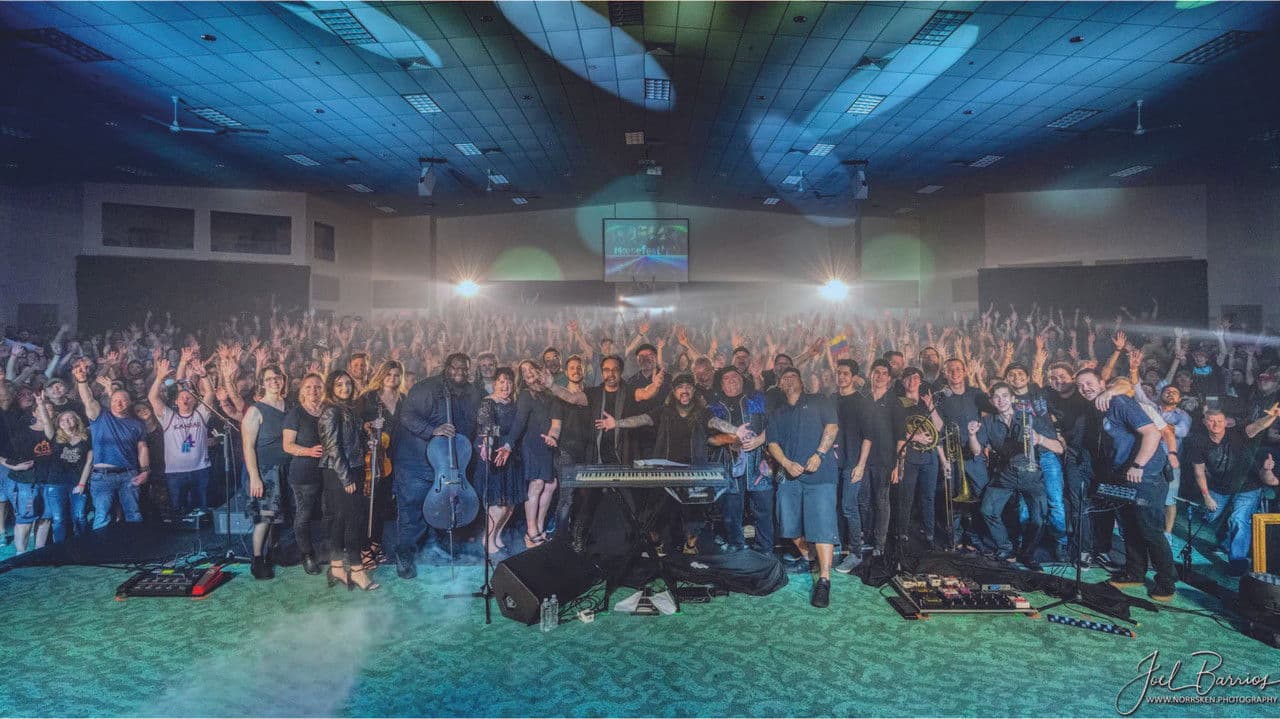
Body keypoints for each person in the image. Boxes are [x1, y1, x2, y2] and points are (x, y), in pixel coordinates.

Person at [1076, 368, 1176, 601]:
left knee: (1149, 529)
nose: (1085, 388)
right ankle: (1135, 572)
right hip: (1124, 476)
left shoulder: (1119, 401)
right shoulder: (1100, 406)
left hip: (1146, 475)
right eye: (1080, 386)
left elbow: (1152, 433)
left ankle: (1167, 581)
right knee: (1129, 525)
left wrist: (1138, 465)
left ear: (1102, 383)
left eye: (1089, 383)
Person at [393, 352, 481, 579]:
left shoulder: (471, 392)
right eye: (455, 368)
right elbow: (407, 416)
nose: (459, 372)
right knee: (412, 511)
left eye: (464, 369)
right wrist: (432, 430)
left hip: (447, 464)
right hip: (415, 461)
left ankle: (433, 549)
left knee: (439, 508)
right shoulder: (427, 388)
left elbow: (473, 424)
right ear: (446, 367)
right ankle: (404, 556)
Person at [765, 368, 840, 608]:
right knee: (788, 524)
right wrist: (786, 463)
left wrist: (819, 454)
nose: (788, 380)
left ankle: (824, 580)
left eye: (792, 376)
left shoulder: (819, 400)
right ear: (780, 385)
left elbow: (832, 427)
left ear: (801, 381)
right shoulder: (777, 412)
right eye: (784, 378)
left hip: (821, 475)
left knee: (823, 526)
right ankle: (811, 558)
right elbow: (772, 443)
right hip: (790, 477)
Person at [969, 382, 1062, 570]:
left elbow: (1059, 448)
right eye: (996, 397)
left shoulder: (1031, 418)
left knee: (1038, 519)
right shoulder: (988, 421)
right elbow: (976, 451)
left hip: (1031, 474)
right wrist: (971, 435)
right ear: (991, 401)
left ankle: (1027, 553)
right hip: (1006, 473)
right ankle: (1005, 548)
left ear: (1012, 398)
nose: (1001, 400)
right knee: (987, 510)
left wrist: (1040, 439)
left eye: (1005, 396)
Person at [1185, 409, 1278, 575]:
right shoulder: (1198, 442)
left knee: (1239, 519)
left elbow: (1258, 425)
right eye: (1211, 421)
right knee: (1209, 516)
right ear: (1205, 422)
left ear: (1226, 422)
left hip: (1248, 486)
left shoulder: (1239, 433)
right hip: (1219, 487)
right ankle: (1225, 540)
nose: (1216, 424)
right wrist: (1206, 496)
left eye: (1220, 421)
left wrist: (1273, 415)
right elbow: (1199, 472)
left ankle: (1238, 561)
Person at [319, 370, 379, 591]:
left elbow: (350, 441)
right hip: (340, 472)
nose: (345, 388)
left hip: (352, 467)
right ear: (331, 388)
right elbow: (333, 449)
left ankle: (336, 567)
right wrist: (346, 478)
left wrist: (366, 441)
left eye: (347, 383)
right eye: (339, 384)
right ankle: (357, 570)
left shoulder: (348, 409)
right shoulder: (330, 412)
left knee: (342, 519)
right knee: (353, 520)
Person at [73, 359, 150, 531]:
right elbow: (88, 399)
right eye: (115, 400)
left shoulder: (137, 424)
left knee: (133, 514)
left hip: (129, 474)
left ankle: (136, 547)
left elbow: (142, 448)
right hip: (102, 476)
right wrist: (82, 381)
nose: (119, 403)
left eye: (123, 400)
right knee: (102, 516)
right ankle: (101, 549)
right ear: (110, 401)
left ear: (129, 402)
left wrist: (145, 471)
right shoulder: (100, 416)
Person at [496, 359, 561, 549]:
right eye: (524, 372)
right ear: (523, 378)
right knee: (537, 483)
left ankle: (539, 527)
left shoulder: (550, 394)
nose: (529, 372)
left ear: (539, 370)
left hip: (547, 444)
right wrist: (508, 445)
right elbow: (519, 423)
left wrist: (553, 436)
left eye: (531, 368)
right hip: (531, 445)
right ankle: (531, 531)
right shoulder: (525, 395)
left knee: (551, 485)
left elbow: (556, 422)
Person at [707, 366, 770, 553]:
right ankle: (736, 545)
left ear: (742, 380)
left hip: (759, 462)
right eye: (726, 378)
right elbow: (709, 437)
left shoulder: (755, 401)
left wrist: (759, 441)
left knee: (763, 508)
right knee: (731, 509)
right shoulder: (715, 407)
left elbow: (772, 424)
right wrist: (732, 438)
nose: (731, 380)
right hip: (727, 463)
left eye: (735, 376)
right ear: (721, 384)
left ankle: (765, 548)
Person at [936, 357, 994, 552]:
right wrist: (943, 458)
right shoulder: (941, 397)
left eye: (958, 369)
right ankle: (955, 536)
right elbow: (938, 428)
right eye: (950, 370)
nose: (955, 373)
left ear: (964, 371)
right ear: (945, 373)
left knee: (980, 495)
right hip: (952, 454)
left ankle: (975, 536)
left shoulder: (976, 394)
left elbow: (992, 410)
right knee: (953, 497)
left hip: (975, 454)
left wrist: (985, 443)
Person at [147, 350, 214, 519]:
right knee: (178, 512)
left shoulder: (200, 414)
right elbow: (153, 398)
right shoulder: (169, 416)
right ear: (176, 401)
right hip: (175, 472)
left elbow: (210, 394)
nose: (185, 400)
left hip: (201, 469)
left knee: (202, 512)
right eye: (182, 397)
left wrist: (204, 376)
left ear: (195, 400)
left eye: (189, 397)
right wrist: (159, 378)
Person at [241, 364, 289, 579]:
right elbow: (248, 447)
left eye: (277, 377)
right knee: (265, 517)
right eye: (269, 379)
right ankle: (257, 560)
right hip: (266, 471)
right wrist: (254, 477)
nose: (274, 381)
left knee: (278, 517)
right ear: (262, 383)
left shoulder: (289, 405)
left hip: (286, 468)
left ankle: (272, 553)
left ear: (283, 380)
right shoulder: (255, 410)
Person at [855, 359, 906, 557]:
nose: (880, 376)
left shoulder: (895, 403)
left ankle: (880, 544)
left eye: (884, 373)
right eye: (877, 372)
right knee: (863, 499)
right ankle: (865, 537)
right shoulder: (864, 400)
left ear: (889, 378)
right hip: (863, 460)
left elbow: (901, 438)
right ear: (871, 374)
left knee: (881, 502)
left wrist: (897, 465)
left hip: (885, 461)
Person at [356, 360, 405, 561]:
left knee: (383, 504)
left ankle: (376, 544)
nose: (392, 378)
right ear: (382, 375)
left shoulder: (403, 399)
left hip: (394, 457)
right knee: (368, 505)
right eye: (389, 374)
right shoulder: (369, 397)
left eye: (396, 375)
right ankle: (364, 547)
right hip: (372, 457)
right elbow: (355, 422)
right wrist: (367, 426)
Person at [895, 367, 946, 550]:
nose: (912, 381)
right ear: (903, 381)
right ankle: (902, 533)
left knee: (928, 497)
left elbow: (938, 427)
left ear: (921, 381)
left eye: (916, 378)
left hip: (929, 457)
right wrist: (915, 437)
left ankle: (929, 534)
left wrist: (931, 406)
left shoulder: (927, 401)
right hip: (908, 456)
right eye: (908, 378)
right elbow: (893, 429)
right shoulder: (897, 403)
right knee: (906, 497)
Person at [282, 372, 326, 575]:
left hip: (328, 471)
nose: (313, 390)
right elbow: (287, 445)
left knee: (329, 512)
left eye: (317, 386)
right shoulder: (296, 414)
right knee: (304, 514)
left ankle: (328, 551)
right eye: (308, 387)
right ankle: (307, 555)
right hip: (304, 473)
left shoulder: (328, 410)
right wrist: (309, 451)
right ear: (302, 391)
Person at [475, 367, 519, 556]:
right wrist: (488, 445)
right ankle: (487, 539)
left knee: (509, 504)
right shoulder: (488, 402)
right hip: (494, 453)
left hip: (509, 453)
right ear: (494, 383)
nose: (505, 385)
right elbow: (487, 428)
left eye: (509, 382)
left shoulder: (513, 402)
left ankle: (497, 536)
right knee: (498, 502)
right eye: (501, 381)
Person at [34, 404, 92, 543]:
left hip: (77, 483)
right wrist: (41, 405)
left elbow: (89, 462)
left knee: (80, 517)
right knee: (58, 519)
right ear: (58, 423)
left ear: (76, 420)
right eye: (63, 419)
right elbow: (47, 422)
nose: (66, 421)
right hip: (56, 483)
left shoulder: (86, 437)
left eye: (70, 418)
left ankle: (84, 545)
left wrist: (82, 484)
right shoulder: (54, 436)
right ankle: (60, 549)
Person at [3, 392, 53, 552]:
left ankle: (39, 552)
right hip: (26, 482)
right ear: (34, 413)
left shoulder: (58, 432)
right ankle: (21, 554)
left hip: (49, 481)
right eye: (42, 409)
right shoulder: (22, 433)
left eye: (49, 410)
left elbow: (49, 433)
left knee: (46, 518)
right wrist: (13, 466)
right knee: (25, 520)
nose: (46, 412)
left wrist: (42, 406)